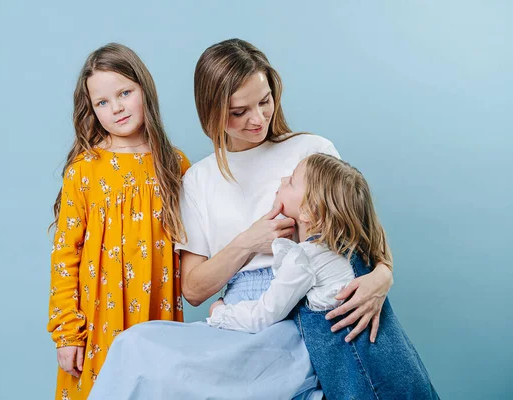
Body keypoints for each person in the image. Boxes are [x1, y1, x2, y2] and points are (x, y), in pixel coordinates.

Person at [89, 38, 394, 400]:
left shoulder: (311, 152)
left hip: (305, 319)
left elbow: (366, 238)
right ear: (212, 111)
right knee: (134, 346)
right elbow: (194, 289)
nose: (257, 119)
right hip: (238, 319)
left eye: (265, 101)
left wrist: (383, 276)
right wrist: (250, 241)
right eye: (238, 111)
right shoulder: (199, 180)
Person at [208, 153, 439, 399]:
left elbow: (263, 314)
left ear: (308, 211)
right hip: (407, 375)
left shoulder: (305, 258)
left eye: (292, 181)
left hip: (366, 388)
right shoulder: (355, 247)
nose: (284, 179)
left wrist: (220, 313)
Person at [47, 43, 190, 400]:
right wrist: (67, 333)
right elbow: (65, 255)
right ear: (92, 110)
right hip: (98, 324)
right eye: (103, 102)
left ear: (145, 88)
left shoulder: (175, 165)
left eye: (125, 92)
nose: (117, 108)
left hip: (158, 320)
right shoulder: (84, 170)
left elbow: (202, 245)